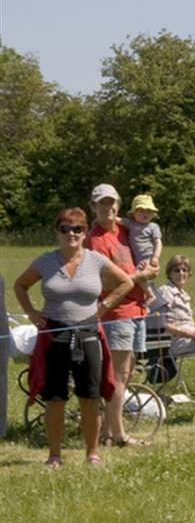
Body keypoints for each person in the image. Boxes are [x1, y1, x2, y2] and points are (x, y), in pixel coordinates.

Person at [13, 208, 133, 467]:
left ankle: (92, 452)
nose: (71, 234)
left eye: (77, 228)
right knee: (55, 398)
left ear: (85, 232)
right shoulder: (45, 262)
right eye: (65, 228)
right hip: (54, 334)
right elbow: (20, 285)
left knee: (90, 396)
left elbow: (126, 282)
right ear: (56, 232)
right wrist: (32, 313)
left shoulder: (96, 260)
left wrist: (103, 307)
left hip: (88, 334)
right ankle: (54, 455)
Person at [86, 183, 159, 446]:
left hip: (138, 308)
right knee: (119, 374)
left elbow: (148, 238)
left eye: (112, 202)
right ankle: (118, 435)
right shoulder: (94, 241)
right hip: (116, 312)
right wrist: (144, 275)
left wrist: (153, 261)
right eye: (103, 203)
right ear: (93, 207)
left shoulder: (125, 229)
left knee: (125, 374)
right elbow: (106, 284)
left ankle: (108, 430)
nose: (109, 207)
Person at [122, 192, 163, 300]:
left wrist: (155, 257)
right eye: (141, 211)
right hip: (135, 258)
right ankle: (148, 294)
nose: (145, 213)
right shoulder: (131, 224)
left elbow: (158, 242)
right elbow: (117, 220)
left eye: (149, 211)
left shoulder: (153, 226)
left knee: (139, 276)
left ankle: (150, 295)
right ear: (133, 213)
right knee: (140, 277)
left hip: (147, 257)